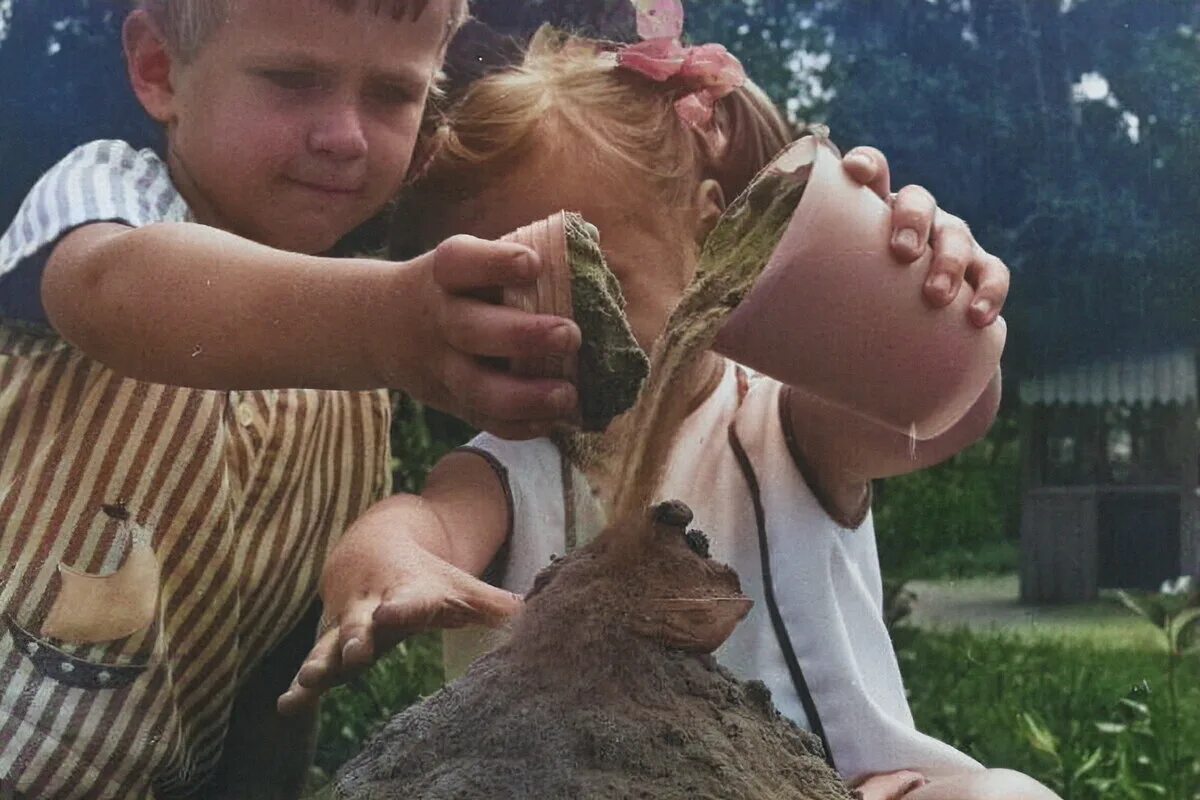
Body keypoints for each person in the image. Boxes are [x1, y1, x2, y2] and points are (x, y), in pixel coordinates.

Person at [282, 24, 1059, 800]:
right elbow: (421, 521)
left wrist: (933, 289)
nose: (549, 330)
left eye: (593, 280)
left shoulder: (785, 429)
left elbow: (941, 416)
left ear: (710, 229)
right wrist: (388, 572)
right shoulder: (513, 465)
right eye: (493, 298)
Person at [0, 1, 591, 798]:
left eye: (390, 94)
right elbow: (111, 288)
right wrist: (386, 327)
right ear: (158, 70)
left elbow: (280, 673)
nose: (344, 135)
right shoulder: (112, 190)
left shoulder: (352, 400)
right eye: (291, 79)